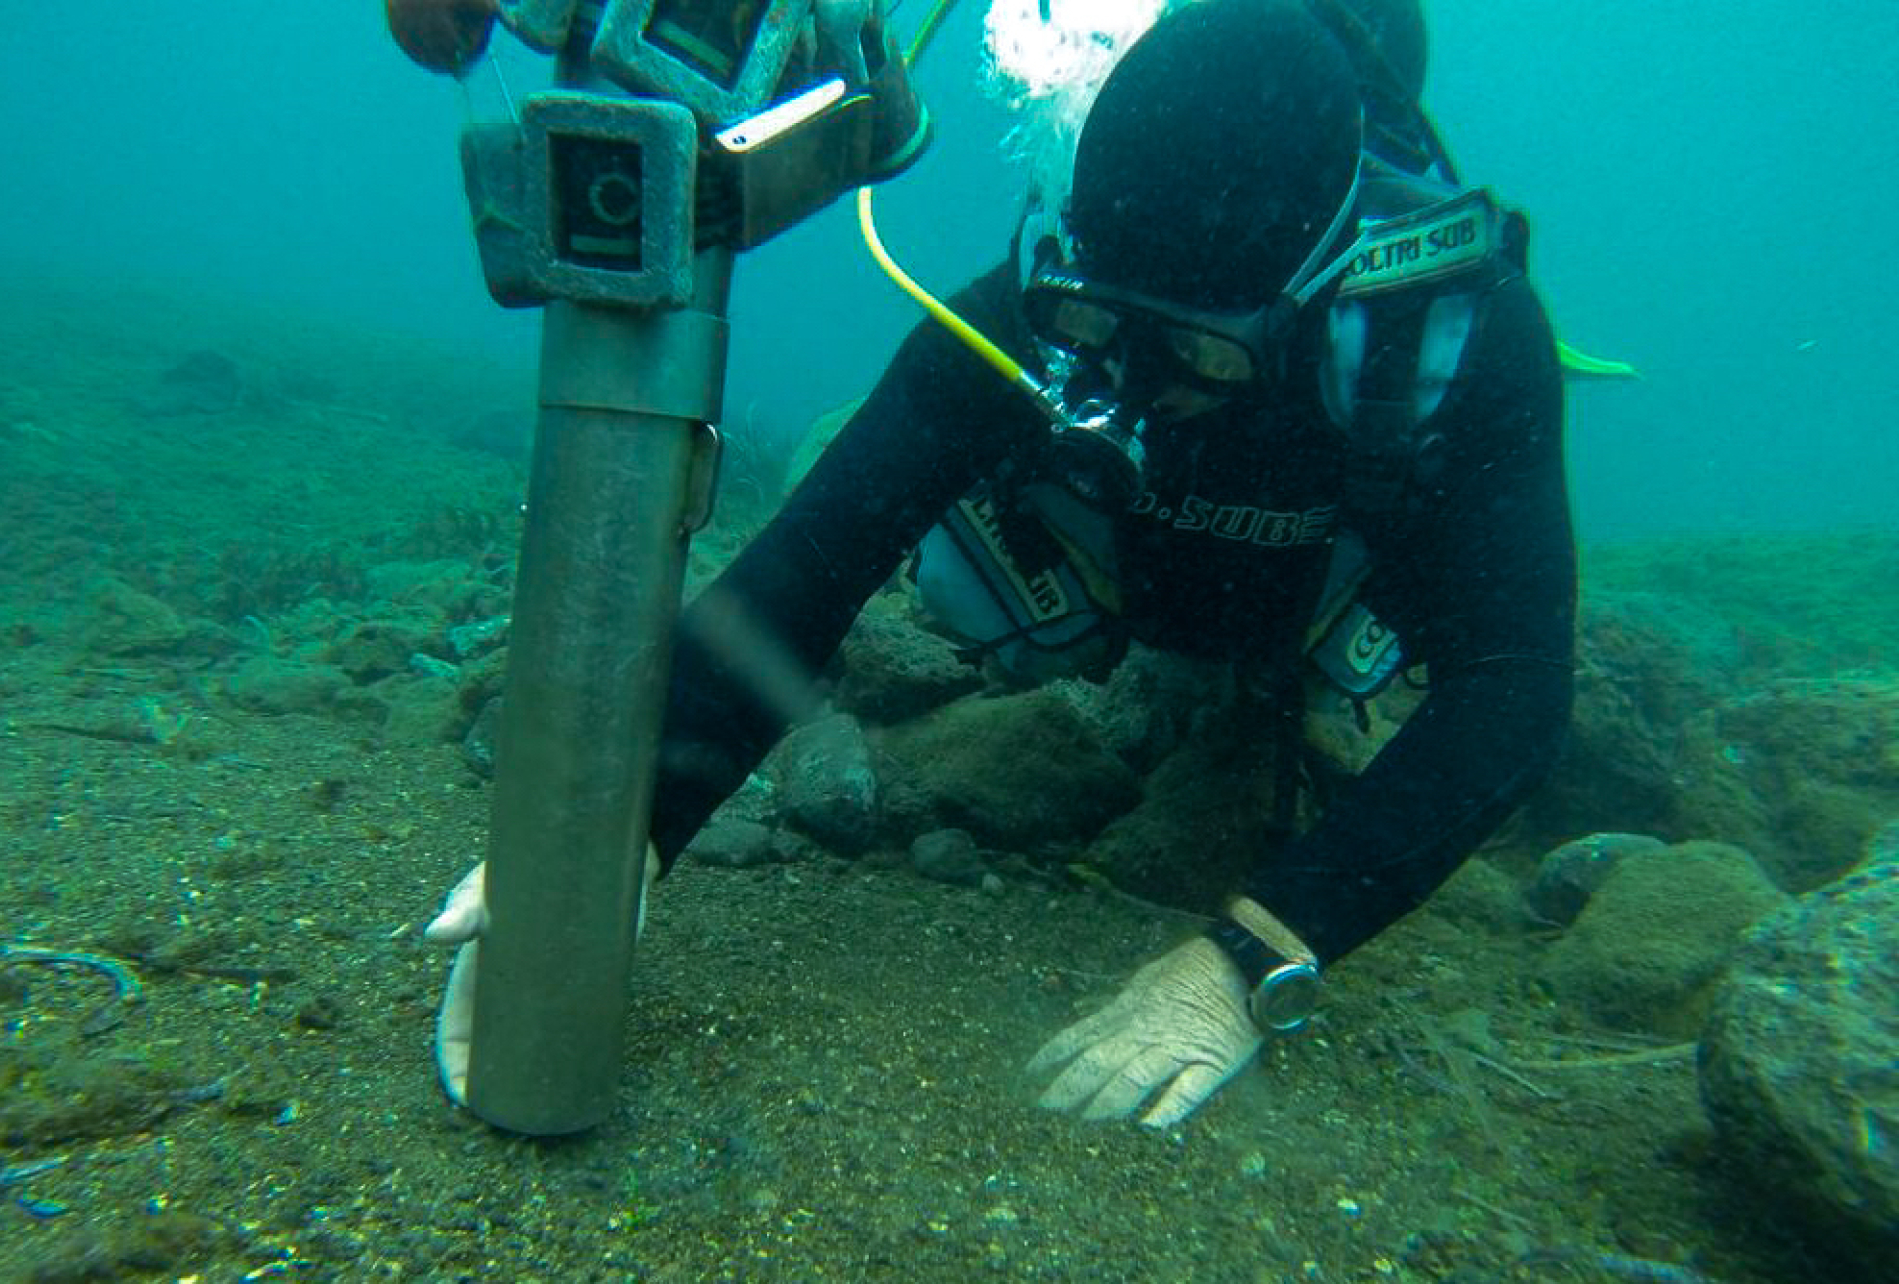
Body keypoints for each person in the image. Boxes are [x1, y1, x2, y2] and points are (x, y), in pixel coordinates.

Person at [429, 0, 1575, 1126]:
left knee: (1321, 671)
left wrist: (1254, 953)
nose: (1133, 384)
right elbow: (817, 558)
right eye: (1101, 331)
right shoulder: (1037, 298)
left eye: (1193, 352)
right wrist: (618, 834)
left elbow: (1517, 685)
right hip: (1125, 576)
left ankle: (1267, 689)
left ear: (1318, 287)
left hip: (1315, 594)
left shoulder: (1462, 345)